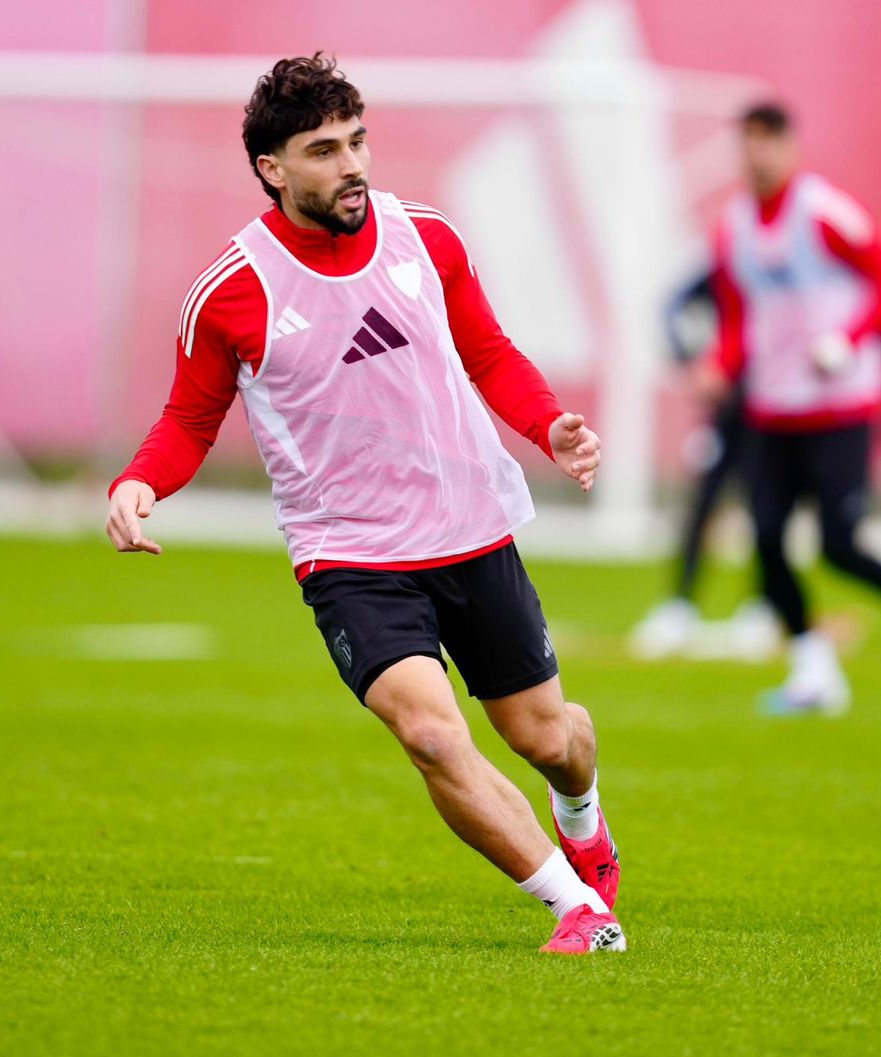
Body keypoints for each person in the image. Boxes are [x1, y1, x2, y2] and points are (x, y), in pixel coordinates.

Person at [104, 55, 624, 955]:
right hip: (351, 558)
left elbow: (489, 352)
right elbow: (190, 416)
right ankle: (576, 905)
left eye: (357, 141)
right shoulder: (232, 289)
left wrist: (552, 428)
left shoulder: (428, 237)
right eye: (323, 150)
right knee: (429, 732)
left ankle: (582, 813)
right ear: (273, 168)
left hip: (471, 530)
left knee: (549, 738)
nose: (351, 165)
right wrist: (139, 481)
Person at [703, 102, 881, 714]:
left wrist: (847, 340)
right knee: (764, 539)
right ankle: (814, 671)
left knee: (838, 544)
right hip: (774, 407)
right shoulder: (732, 227)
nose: (757, 155)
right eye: (748, 143)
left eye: (768, 142)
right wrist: (722, 364)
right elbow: (741, 316)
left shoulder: (824, 213)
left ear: (790, 147)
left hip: (840, 406)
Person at [628, 270, 777, 661]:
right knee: (703, 506)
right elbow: (674, 305)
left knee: (765, 510)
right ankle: (680, 606)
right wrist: (692, 360)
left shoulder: (784, 274)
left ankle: (761, 608)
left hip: (771, 409)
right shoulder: (729, 264)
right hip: (728, 412)